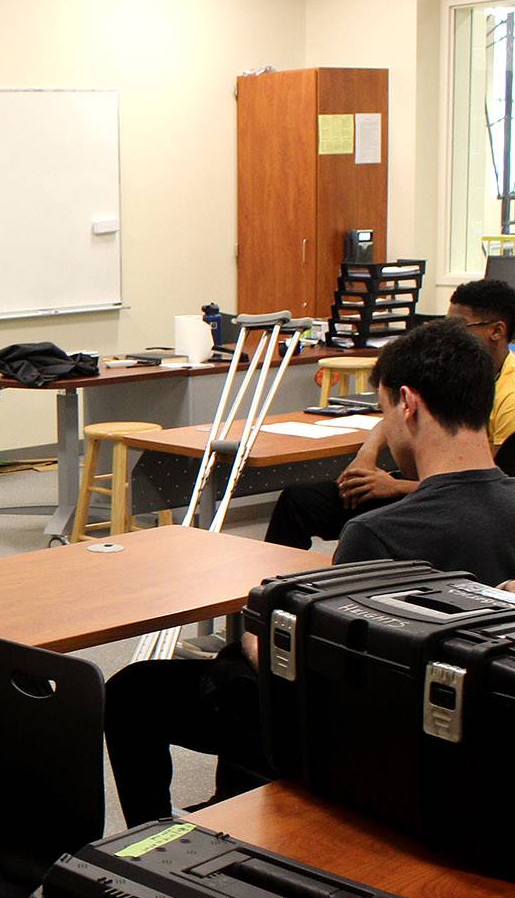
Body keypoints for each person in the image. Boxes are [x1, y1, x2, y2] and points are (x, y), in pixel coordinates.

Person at [105, 319, 515, 825]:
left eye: (384, 411)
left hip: (365, 740)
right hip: (482, 734)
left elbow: (309, 666)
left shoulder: (379, 534)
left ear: (407, 405)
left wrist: (258, 634)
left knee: (134, 691)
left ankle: (152, 846)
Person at [264, 277, 515, 549]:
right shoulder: (454, 370)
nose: (449, 334)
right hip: (423, 482)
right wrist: (365, 457)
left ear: (497, 331)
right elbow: (399, 412)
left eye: (458, 326)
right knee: (299, 501)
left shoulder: (509, 393)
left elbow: (484, 489)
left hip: (453, 496)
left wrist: (394, 487)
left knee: (367, 532)